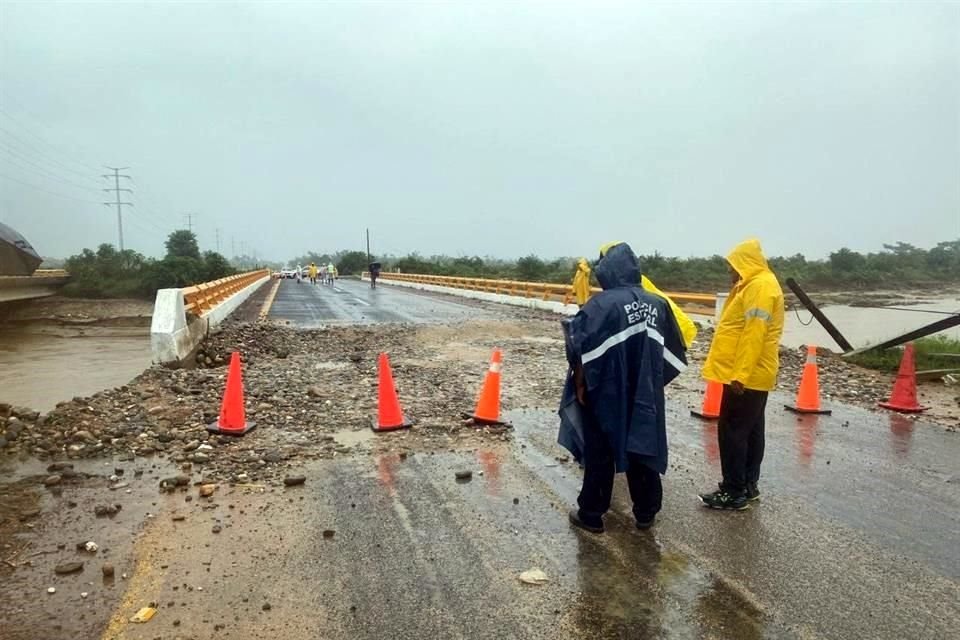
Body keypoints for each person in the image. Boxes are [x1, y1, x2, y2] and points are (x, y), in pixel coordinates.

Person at [559, 242, 687, 533]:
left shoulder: (600, 305)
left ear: (607, 271)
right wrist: (650, 384)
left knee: (600, 450)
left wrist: (581, 383)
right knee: (643, 445)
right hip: (645, 393)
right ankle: (646, 512)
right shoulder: (658, 303)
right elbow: (673, 349)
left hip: (605, 390)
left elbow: (580, 348)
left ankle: (591, 514)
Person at [699, 238, 784, 511]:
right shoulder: (757, 284)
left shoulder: (759, 287)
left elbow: (754, 334)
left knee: (733, 431)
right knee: (750, 430)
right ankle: (748, 485)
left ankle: (733, 491)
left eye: (733, 266)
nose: (730, 272)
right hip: (754, 374)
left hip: (746, 374)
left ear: (744, 264)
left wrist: (740, 374)